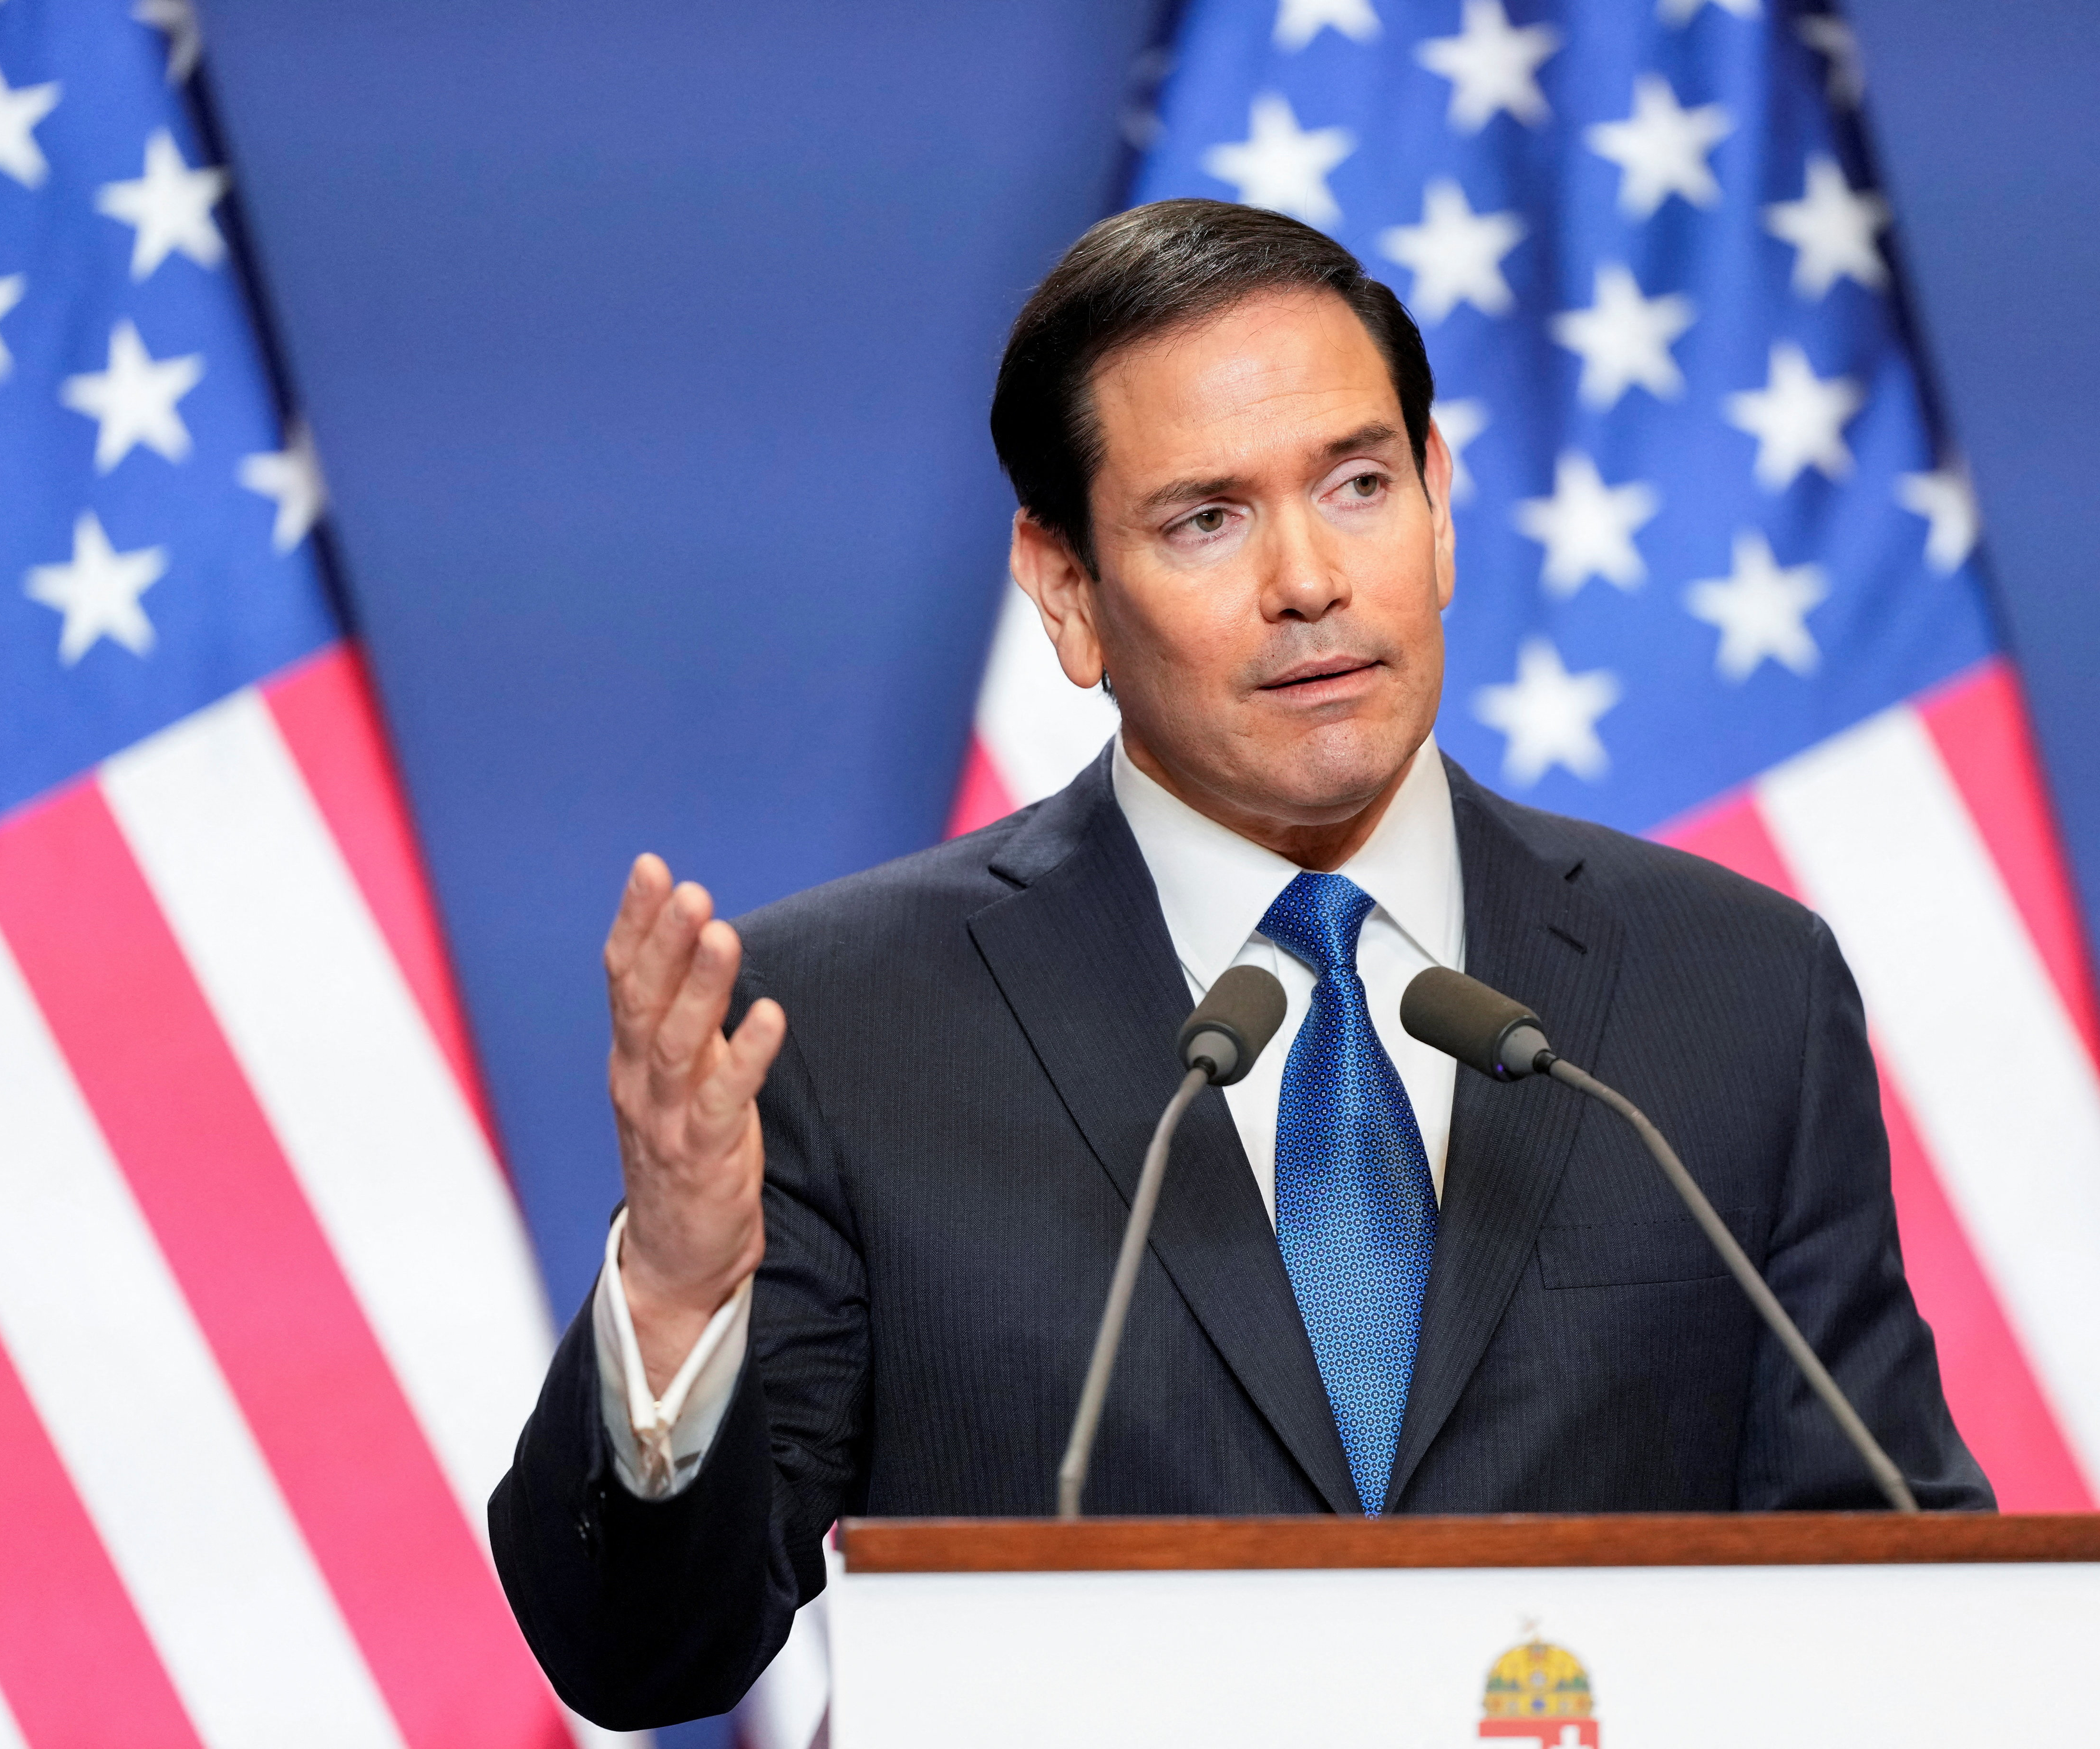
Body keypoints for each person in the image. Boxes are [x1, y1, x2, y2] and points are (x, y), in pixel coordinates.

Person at [490, 198, 1990, 1730]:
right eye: (1205, 518)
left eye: (1356, 484)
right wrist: (677, 1296)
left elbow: (1890, 1572)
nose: (1308, 580)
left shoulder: (1735, 986)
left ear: (1441, 503)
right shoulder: (846, 1025)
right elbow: (643, 1657)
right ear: (1066, 589)